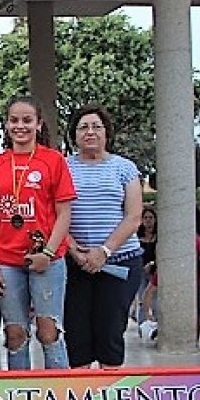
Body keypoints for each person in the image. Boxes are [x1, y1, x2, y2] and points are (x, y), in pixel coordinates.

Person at [0, 95, 76, 371]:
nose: (20, 126)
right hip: (8, 261)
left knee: (49, 330)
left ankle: (61, 395)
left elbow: (64, 213)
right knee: (15, 333)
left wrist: (48, 252)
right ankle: (20, 395)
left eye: (27, 120)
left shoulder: (53, 160)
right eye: (14, 120)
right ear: (6, 125)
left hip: (47, 259)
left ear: (38, 124)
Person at [63, 105, 144, 368]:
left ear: (106, 132)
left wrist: (104, 252)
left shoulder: (125, 168)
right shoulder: (63, 167)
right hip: (75, 262)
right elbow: (53, 215)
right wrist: (75, 250)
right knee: (77, 336)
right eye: (83, 127)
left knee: (110, 332)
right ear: (74, 135)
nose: (90, 132)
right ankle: (80, 398)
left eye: (96, 127)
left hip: (119, 261)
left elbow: (133, 217)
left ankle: (109, 398)